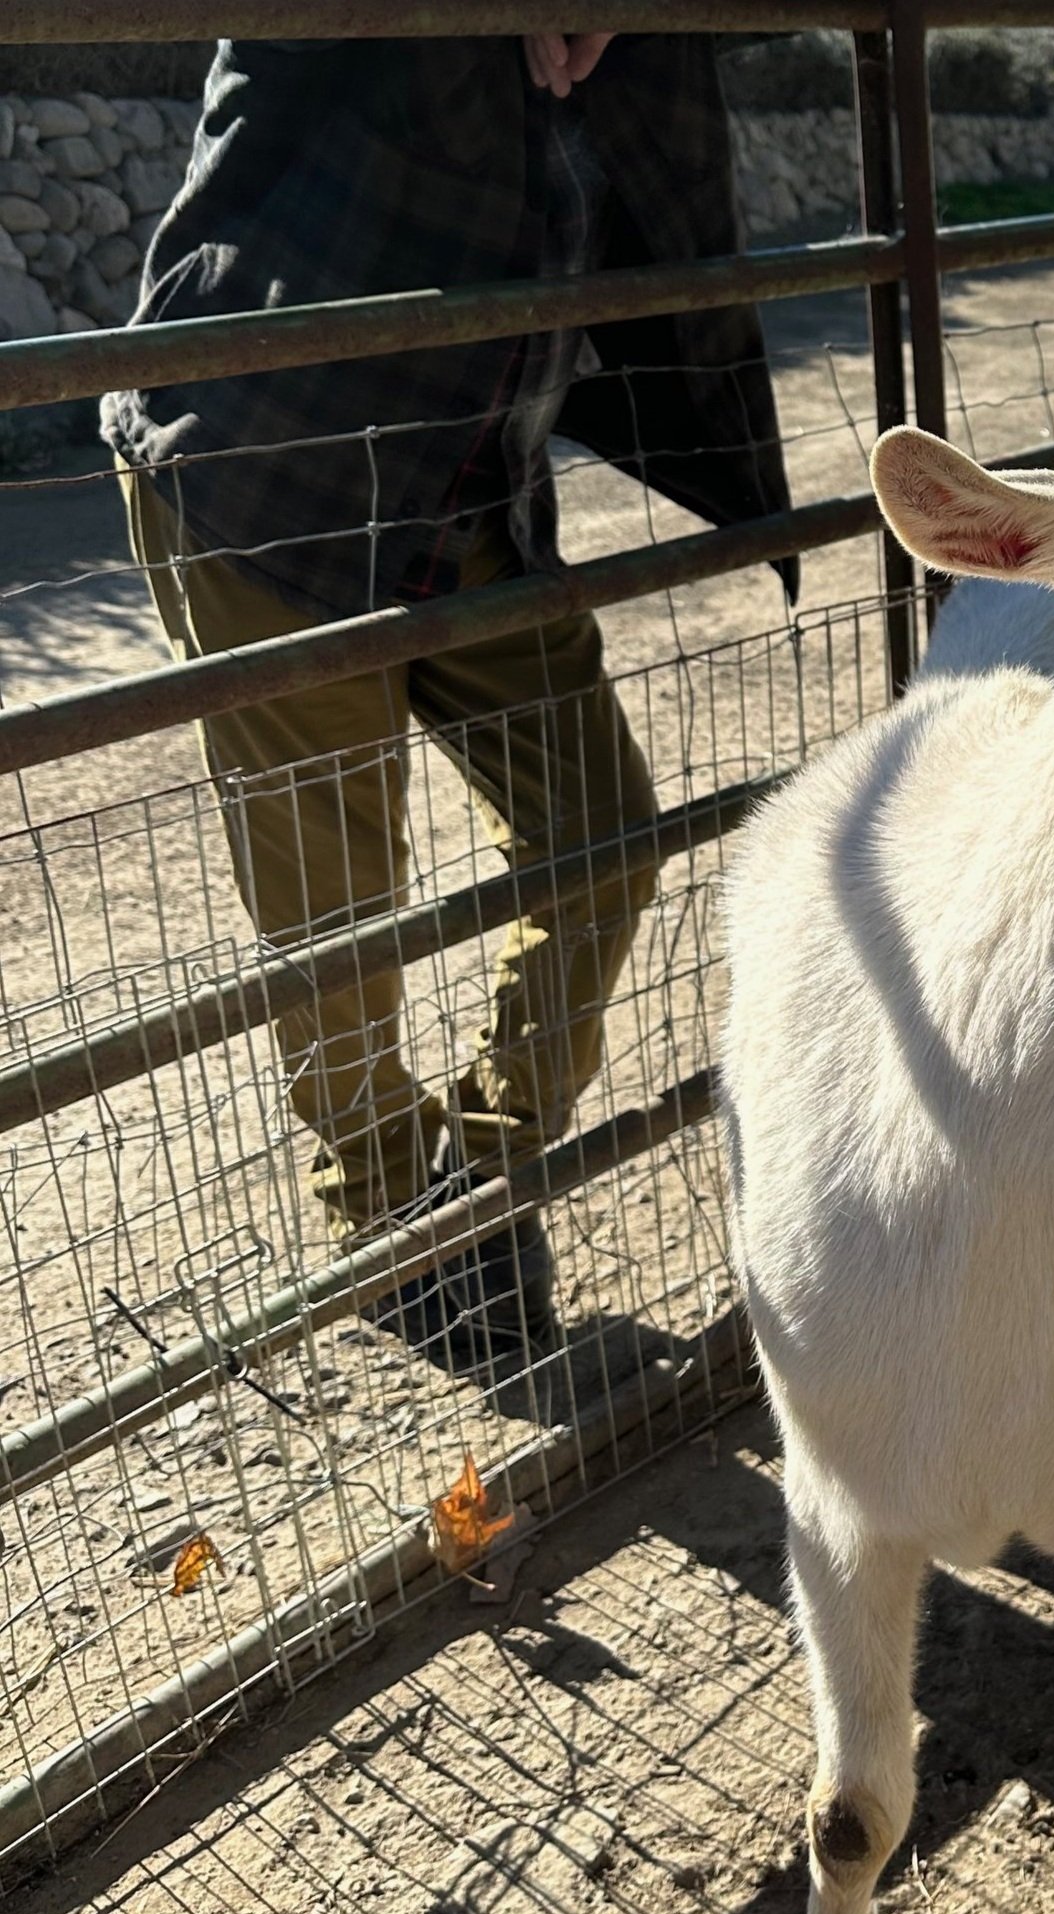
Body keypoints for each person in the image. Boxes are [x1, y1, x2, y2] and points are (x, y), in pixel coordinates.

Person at [103, 31, 795, 1375]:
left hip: (473, 498)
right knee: (334, 910)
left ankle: (481, 1179)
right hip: (271, 483)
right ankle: (384, 1215)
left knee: (602, 837)